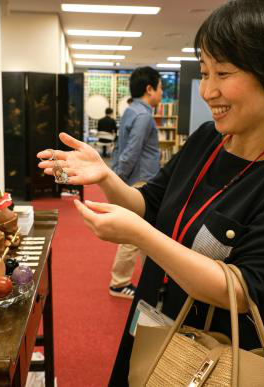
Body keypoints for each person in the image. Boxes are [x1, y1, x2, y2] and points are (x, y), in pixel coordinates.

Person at [37, 0, 264, 384]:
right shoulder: (209, 139)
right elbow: (149, 205)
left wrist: (139, 235)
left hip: (221, 354)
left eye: (223, 73)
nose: (208, 91)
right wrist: (106, 177)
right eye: (206, 72)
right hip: (155, 320)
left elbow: (243, 290)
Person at [107, 66, 162, 299]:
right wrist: (115, 179)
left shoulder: (131, 111)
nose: (161, 93)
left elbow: (121, 148)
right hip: (140, 181)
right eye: (160, 88)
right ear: (150, 89)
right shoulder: (143, 116)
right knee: (135, 235)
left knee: (144, 233)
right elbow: (131, 151)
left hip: (135, 180)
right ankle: (119, 283)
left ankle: (153, 282)